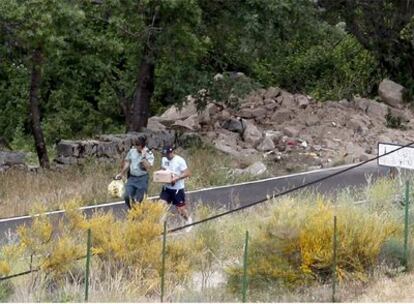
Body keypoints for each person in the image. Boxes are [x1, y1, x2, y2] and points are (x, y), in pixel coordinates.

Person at [159, 145, 193, 230]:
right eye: (166, 154)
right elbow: (163, 169)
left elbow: (187, 173)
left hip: (177, 189)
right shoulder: (164, 159)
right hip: (166, 188)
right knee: (160, 206)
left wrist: (177, 178)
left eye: (169, 153)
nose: (167, 155)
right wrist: (162, 175)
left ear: (172, 152)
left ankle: (188, 220)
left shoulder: (180, 160)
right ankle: (161, 226)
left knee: (180, 209)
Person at [116, 135, 154, 209]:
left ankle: (137, 213)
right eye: (135, 145)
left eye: (138, 145)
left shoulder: (148, 153)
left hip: (142, 178)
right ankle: (133, 209)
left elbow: (148, 167)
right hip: (132, 178)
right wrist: (121, 173)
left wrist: (143, 157)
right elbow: (128, 162)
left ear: (142, 145)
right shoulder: (132, 151)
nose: (136, 147)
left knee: (139, 199)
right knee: (126, 195)